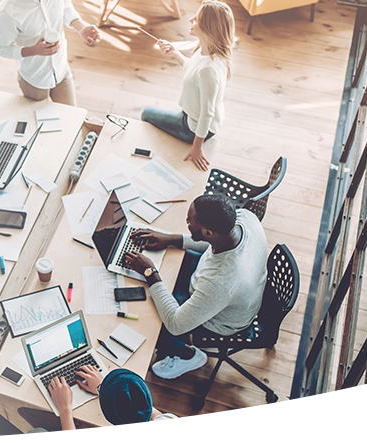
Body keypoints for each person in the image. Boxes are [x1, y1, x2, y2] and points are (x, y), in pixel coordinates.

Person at [120, 194, 267, 380]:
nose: (187, 222)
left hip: (221, 320)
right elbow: (212, 244)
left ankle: (187, 355)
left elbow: (176, 324)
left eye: (190, 221)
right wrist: (171, 239)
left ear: (208, 233)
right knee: (167, 272)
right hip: (218, 285)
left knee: (150, 317)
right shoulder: (245, 218)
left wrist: (149, 272)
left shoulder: (221, 282)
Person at [141, 0, 236, 171]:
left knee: (146, 113)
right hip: (197, 118)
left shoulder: (209, 70)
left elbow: (206, 114)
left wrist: (197, 146)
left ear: (208, 28)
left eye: (196, 18)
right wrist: (175, 53)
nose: (190, 19)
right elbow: (193, 70)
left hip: (193, 128)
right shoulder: (208, 50)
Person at [23, 367, 191, 443]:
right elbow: (141, 405)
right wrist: (103, 388)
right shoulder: (172, 424)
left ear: (107, 414)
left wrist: (65, 408)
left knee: (35, 436)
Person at [0, 0, 101, 105]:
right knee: (38, 115)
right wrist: (34, 50)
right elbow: (3, 49)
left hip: (61, 70)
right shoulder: (7, 12)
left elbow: (65, 6)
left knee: (70, 113)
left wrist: (81, 27)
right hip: (35, 79)